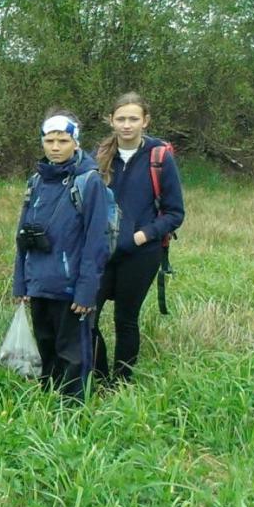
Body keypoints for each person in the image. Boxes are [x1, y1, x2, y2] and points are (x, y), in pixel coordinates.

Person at [12, 111, 111, 400]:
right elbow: (23, 236)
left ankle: (73, 414)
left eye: (63, 141)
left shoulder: (89, 182)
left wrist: (86, 291)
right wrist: (21, 283)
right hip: (39, 283)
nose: (55, 147)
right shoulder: (36, 181)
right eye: (49, 140)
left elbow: (97, 242)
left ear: (76, 143)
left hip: (70, 290)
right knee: (46, 347)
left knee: (72, 355)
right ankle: (47, 404)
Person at [91, 92, 185, 384]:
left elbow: (174, 213)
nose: (127, 125)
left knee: (125, 320)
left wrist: (141, 236)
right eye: (121, 119)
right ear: (111, 121)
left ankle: (120, 383)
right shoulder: (99, 157)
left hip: (141, 253)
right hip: (100, 253)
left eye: (133, 119)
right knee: (86, 317)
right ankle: (99, 377)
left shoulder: (159, 158)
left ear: (145, 121)